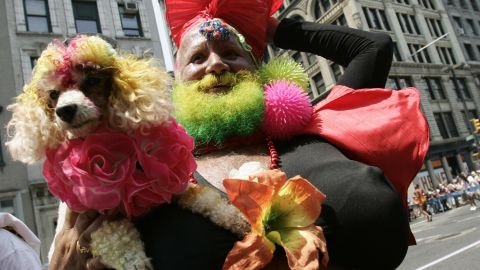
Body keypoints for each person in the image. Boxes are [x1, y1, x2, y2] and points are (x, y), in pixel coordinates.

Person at [48, 0, 429, 269]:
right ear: (174, 83)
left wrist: (262, 22)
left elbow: (373, 47)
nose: (215, 63)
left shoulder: (316, 124)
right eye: (197, 58)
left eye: (231, 52)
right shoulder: (148, 179)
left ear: (258, 69)